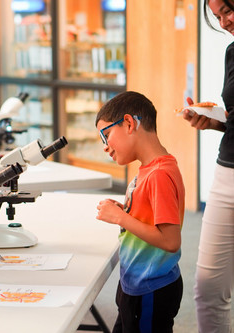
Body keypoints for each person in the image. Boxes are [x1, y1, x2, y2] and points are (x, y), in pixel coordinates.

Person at [95, 91, 185, 332]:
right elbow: (152, 217)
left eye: (106, 135)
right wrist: (126, 212)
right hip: (136, 282)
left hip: (151, 288)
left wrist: (121, 217)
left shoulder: (159, 175)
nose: (105, 147)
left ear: (128, 123)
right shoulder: (149, 169)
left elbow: (170, 240)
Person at [181, 1, 234, 332]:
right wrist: (213, 122)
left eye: (228, 9)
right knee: (209, 288)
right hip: (227, 173)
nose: (225, 21)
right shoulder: (233, 53)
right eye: (217, 16)